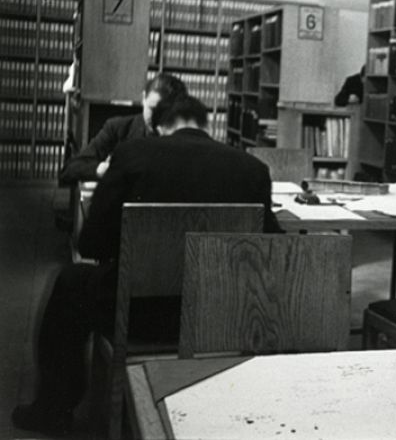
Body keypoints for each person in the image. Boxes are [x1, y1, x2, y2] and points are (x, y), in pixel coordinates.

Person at [12, 94, 281, 436]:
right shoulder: (252, 169)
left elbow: (90, 242)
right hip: (219, 315)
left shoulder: (132, 155)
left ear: (157, 127)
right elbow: (271, 245)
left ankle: (53, 409)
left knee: (70, 283)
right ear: (206, 124)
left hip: (139, 316)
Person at [58, 72, 187, 184]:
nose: (155, 118)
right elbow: (70, 169)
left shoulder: (184, 136)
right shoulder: (118, 128)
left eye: (164, 112)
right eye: (152, 109)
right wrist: (101, 169)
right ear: (143, 99)